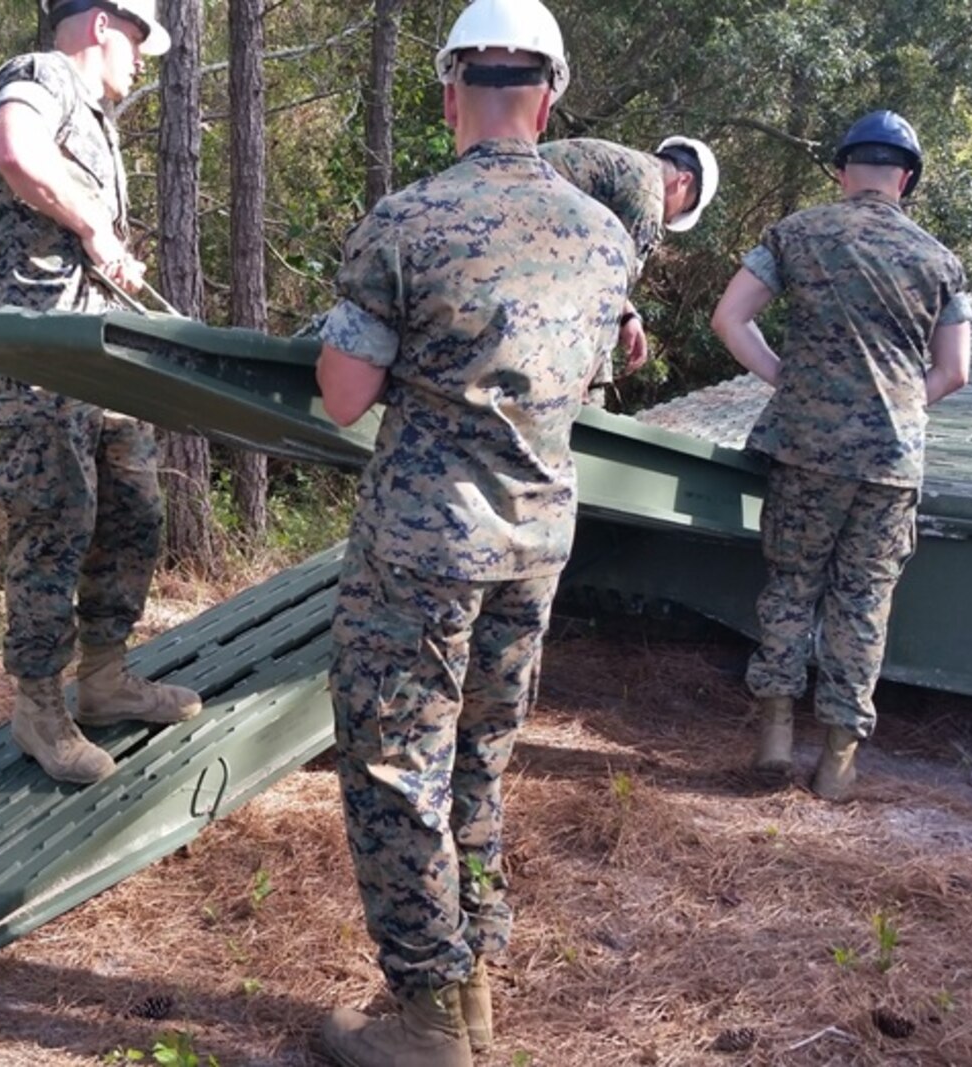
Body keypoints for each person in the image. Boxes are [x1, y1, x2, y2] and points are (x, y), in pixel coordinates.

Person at [311, 1, 634, 1062]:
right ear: (549, 98)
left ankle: (429, 1017)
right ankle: (474, 972)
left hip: (423, 546)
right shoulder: (601, 231)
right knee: (481, 756)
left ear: (451, 93)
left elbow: (344, 397)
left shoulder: (405, 222)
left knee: (398, 766)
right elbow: (611, 361)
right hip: (537, 541)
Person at [709, 110, 972, 800]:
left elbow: (728, 317)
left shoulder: (795, 234)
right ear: (906, 179)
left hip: (806, 447)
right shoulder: (938, 260)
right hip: (890, 461)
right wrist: (895, 409)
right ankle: (837, 762)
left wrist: (786, 380)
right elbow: (954, 372)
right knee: (862, 603)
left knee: (791, 584)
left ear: (840, 170)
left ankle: (771, 733)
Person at [0, 0, 199, 784]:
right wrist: (95, 228)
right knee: (54, 525)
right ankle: (38, 707)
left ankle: (103, 679)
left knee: (134, 511)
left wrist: (108, 254)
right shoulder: (37, 77)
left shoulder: (98, 120)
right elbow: (13, 149)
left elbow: (76, 239)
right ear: (103, 25)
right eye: (139, 41)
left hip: (96, 361)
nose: (143, 60)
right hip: (42, 363)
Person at [539, 134, 720, 375]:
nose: (670, 219)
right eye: (682, 209)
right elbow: (608, 295)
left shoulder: (628, 167)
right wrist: (583, 380)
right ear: (682, 181)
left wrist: (628, 315)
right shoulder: (649, 199)